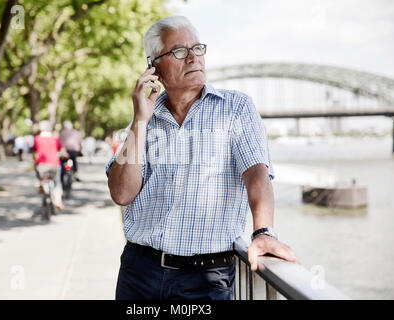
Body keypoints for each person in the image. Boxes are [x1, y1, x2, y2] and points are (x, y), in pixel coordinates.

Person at [105, 16, 298, 300]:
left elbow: (256, 172)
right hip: (139, 273)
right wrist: (139, 121)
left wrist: (264, 232)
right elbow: (121, 193)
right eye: (180, 51)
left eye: (198, 48)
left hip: (205, 280)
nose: (193, 58)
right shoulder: (144, 120)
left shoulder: (235, 107)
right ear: (153, 66)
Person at [32, 120, 64, 211]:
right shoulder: (55, 139)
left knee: (38, 171)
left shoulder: (37, 138)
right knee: (57, 182)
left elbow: (34, 152)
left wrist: (35, 160)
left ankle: (41, 184)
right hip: (54, 164)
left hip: (41, 165)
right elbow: (61, 150)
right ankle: (58, 200)